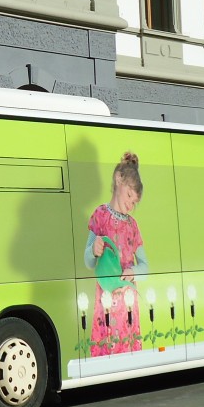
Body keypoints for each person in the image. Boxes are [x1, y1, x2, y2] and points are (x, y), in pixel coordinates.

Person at [84, 152, 149, 356]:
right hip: (106, 301)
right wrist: (93, 250)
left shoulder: (132, 226)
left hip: (127, 303)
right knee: (107, 350)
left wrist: (134, 271)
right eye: (130, 196)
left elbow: (146, 267)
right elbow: (88, 261)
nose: (131, 204)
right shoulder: (100, 216)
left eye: (135, 202)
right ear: (118, 180)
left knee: (128, 353)